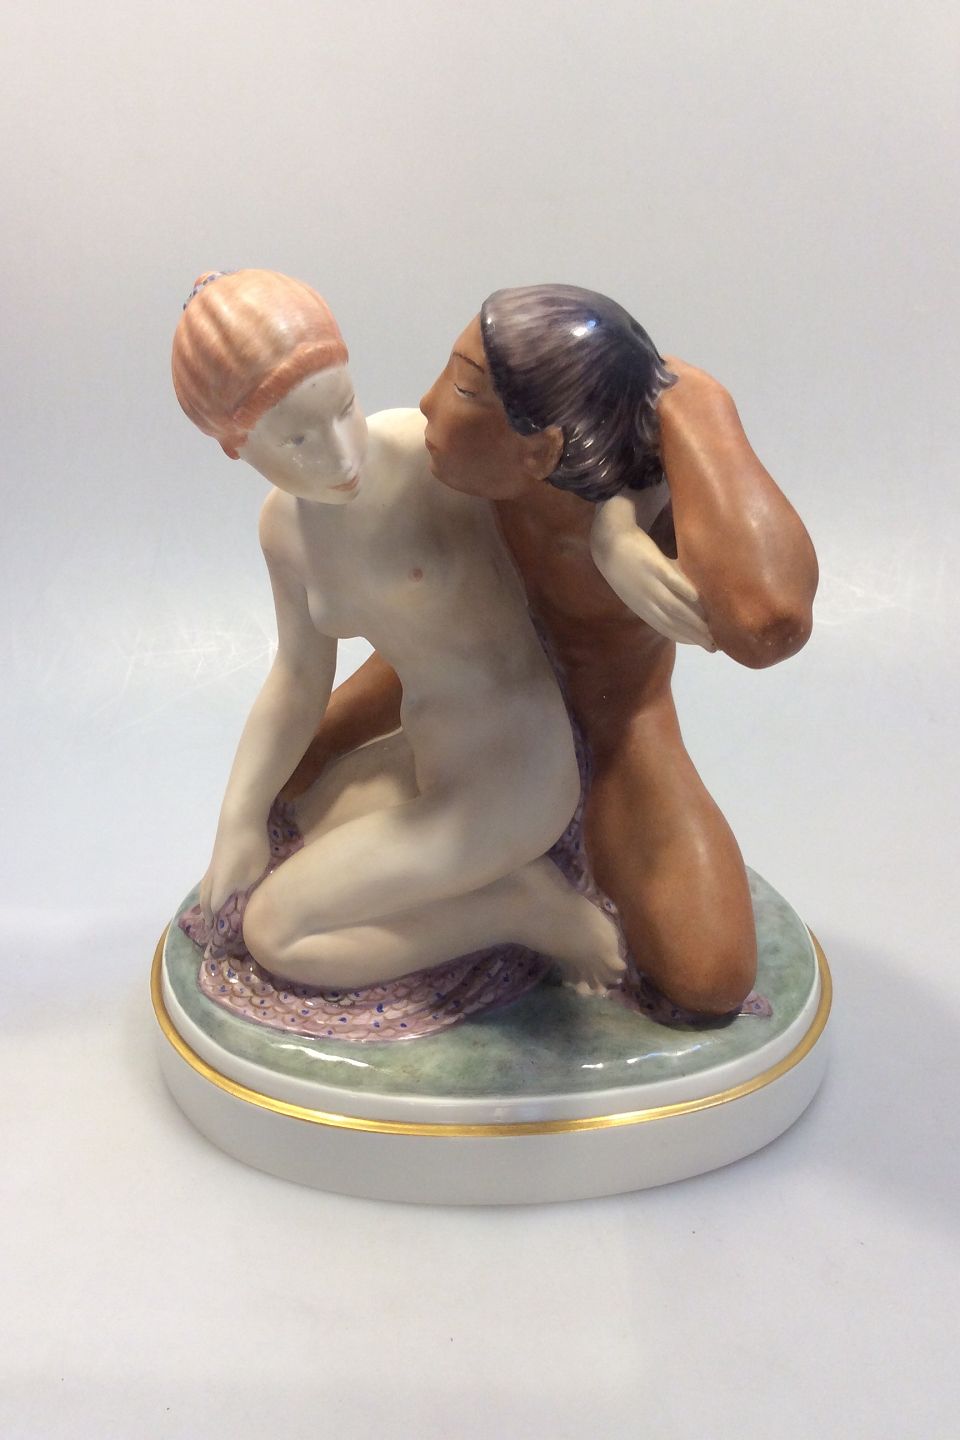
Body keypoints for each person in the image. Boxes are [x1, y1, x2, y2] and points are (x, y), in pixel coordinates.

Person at [286, 285, 818, 1015]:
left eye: (464, 389)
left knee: (709, 977)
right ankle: (512, 892)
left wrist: (684, 394)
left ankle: (541, 889)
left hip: (613, 733)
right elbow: (416, 646)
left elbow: (769, 621)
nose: (428, 403)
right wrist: (312, 742)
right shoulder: (455, 475)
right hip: (478, 723)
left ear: (540, 450)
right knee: (301, 813)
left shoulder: (653, 503)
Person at [173, 269, 700, 994]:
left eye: (344, 408)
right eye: (297, 438)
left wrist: (617, 533)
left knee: (278, 934)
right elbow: (297, 677)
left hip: (516, 773)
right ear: (235, 446)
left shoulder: (425, 456)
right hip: (426, 749)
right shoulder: (283, 532)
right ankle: (491, 880)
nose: (340, 454)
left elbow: (574, 471)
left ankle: (521, 909)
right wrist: (237, 816)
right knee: (296, 824)